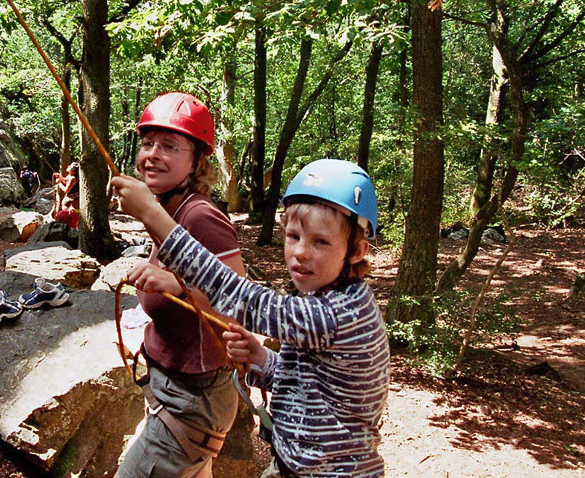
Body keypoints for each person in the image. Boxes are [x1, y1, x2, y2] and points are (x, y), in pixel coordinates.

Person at [111, 159, 390, 477]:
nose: (299, 251)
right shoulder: (327, 298)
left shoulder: (339, 314)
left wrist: (152, 214)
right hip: (295, 466)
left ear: (356, 251)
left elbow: (241, 297)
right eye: (293, 235)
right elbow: (311, 386)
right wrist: (263, 360)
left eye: (320, 241)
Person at [115, 92, 247, 477]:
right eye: (147, 143)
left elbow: (238, 308)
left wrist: (176, 286)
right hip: (172, 390)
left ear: (198, 162)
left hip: (193, 398)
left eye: (169, 146)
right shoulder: (167, 210)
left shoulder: (200, 217)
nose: (152, 154)